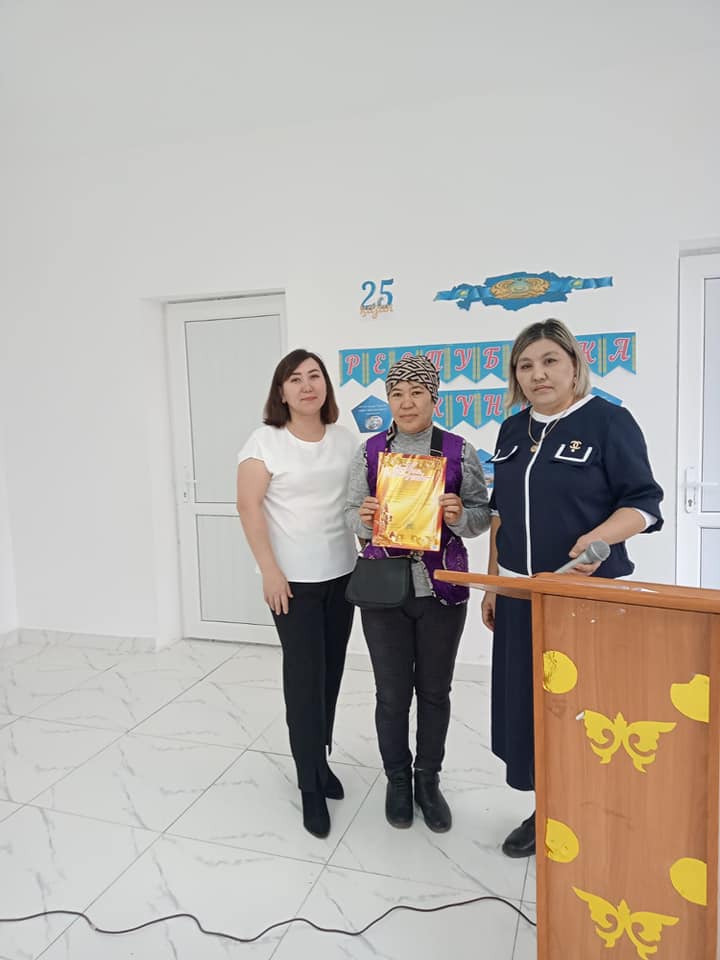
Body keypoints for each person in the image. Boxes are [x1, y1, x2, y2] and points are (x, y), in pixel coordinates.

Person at [482, 318, 663, 858]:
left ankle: (595, 808)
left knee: (586, 706)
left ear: (573, 365)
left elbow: (644, 505)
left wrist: (599, 539)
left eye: (549, 361)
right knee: (531, 706)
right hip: (520, 594)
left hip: (585, 598)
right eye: (525, 365)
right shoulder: (512, 430)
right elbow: (500, 514)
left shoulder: (609, 422)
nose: (538, 374)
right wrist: (493, 583)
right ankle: (548, 807)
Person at [346, 355, 490, 832]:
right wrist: (364, 519)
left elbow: (480, 516)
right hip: (383, 589)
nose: (405, 403)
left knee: (434, 691)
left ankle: (428, 779)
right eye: (396, 394)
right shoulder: (369, 452)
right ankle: (397, 780)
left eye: (416, 392)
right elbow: (348, 513)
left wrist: (458, 516)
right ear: (388, 400)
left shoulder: (458, 450)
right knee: (391, 694)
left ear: (434, 398)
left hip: (440, 588)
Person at [236, 348, 357, 839]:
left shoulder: (345, 439)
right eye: (295, 379)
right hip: (293, 584)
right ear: (281, 392)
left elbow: (358, 500)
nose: (307, 386)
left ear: (325, 385)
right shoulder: (265, 442)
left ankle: (320, 762)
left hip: (344, 575)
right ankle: (309, 785)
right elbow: (248, 507)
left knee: (331, 676)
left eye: (314, 376)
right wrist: (270, 571)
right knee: (305, 682)